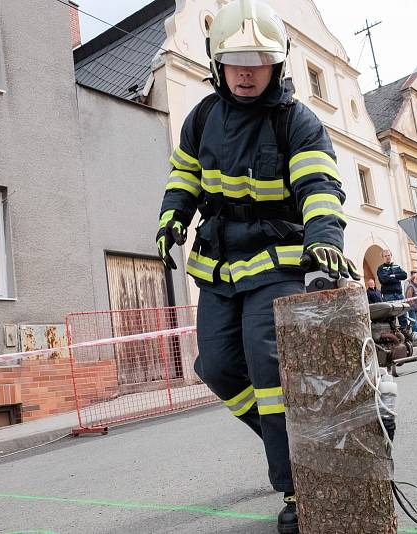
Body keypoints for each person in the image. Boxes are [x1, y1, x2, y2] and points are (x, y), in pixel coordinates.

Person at [155, 2, 359, 529]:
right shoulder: (202, 118)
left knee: (270, 373)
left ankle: (299, 491)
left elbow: (319, 187)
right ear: (216, 61)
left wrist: (324, 239)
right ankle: (284, 439)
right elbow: (185, 177)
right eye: (235, 60)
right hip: (220, 267)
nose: (246, 71)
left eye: (259, 60)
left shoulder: (298, 122)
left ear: (279, 64)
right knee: (218, 368)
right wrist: (172, 216)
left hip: (279, 263)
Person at [377, 249, 409, 330]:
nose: (388, 257)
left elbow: (404, 275)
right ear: (383, 258)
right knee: (390, 318)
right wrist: (397, 277)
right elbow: (384, 280)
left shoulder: (396, 266)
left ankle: (405, 335)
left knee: (403, 316)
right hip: (388, 296)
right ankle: (394, 336)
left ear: (391, 256)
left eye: (389, 255)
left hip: (399, 295)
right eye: (385, 256)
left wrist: (393, 275)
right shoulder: (381, 268)